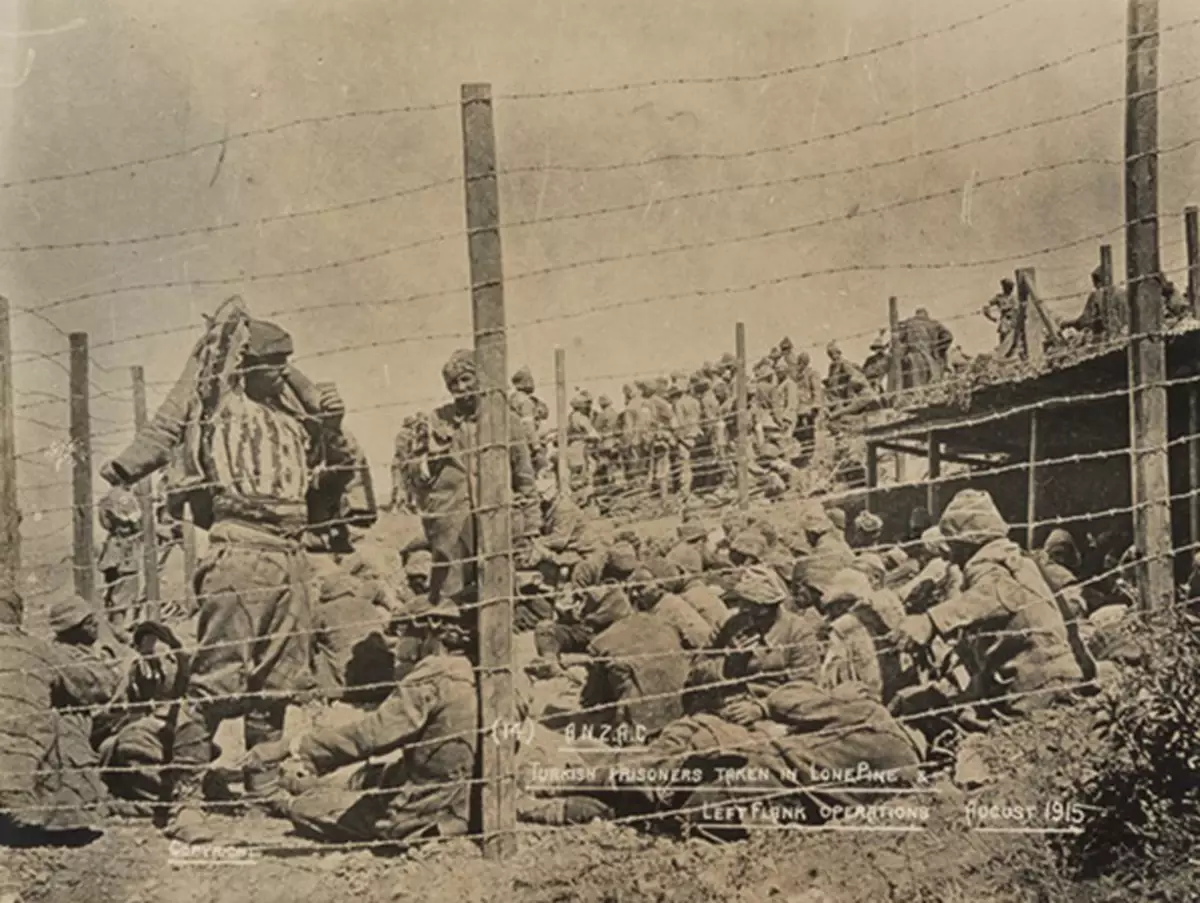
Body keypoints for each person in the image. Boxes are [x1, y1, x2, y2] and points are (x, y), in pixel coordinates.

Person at [99, 301, 375, 842]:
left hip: (292, 555)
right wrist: (120, 473)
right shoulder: (221, 405)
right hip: (239, 550)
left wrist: (334, 428)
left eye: (287, 364)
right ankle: (184, 802)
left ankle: (263, 782)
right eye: (272, 364)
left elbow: (333, 483)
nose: (280, 374)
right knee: (215, 680)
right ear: (247, 365)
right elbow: (170, 419)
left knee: (278, 682)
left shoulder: (297, 421)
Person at [278, 597, 478, 846]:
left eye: (404, 632)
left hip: (422, 812)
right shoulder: (480, 670)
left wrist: (300, 746)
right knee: (367, 777)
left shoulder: (434, 673)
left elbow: (372, 736)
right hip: (467, 799)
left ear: (431, 628)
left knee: (305, 807)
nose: (398, 645)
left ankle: (289, 797)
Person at [887, 489, 1083, 717]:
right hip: (1056, 678)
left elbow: (994, 594)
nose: (949, 557)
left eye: (953, 547)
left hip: (1038, 689)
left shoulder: (988, 564)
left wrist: (931, 621)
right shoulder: (1019, 561)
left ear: (968, 542)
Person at [409, 349, 537, 608]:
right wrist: (431, 457)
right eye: (453, 383)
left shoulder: (505, 421)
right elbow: (414, 473)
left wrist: (531, 523)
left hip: (495, 515)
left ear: (480, 378)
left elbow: (524, 475)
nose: (460, 388)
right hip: (450, 518)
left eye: (467, 379)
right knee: (448, 589)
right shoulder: (437, 420)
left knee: (496, 585)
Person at [686, 565, 824, 722]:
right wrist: (727, 663)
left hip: (769, 716)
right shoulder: (729, 623)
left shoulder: (798, 632)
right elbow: (695, 672)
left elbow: (806, 687)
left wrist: (763, 708)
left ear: (773, 606)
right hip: (719, 706)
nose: (747, 614)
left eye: (756, 609)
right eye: (744, 604)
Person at [579, 588, 690, 739]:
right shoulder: (659, 620)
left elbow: (591, 699)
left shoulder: (600, 643)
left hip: (642, 722)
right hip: (683, 709)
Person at [630, 559, 714, 650]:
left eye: (641, 588)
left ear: (659, 586)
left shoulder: (673, 606)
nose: (635, 594)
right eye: (632, 590)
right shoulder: (647, 608)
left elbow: (700, 639)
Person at [96, 487, 144, 636]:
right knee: (124, 593)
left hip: (113, 549)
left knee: (113, 592)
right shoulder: (125, 497)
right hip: (125, 552)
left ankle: (113, 627)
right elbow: (135, 524)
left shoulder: (107, 498)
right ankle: (118, 629)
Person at [1062, 268, 1129, 343]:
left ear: (1099, 282)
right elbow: (1087, 316)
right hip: (1114, 330)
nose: (1094, 286)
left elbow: (1086, 319)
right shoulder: (1119, 293)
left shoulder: (1102, 294)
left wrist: (1070, 324)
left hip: (1111, 332)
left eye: (1095, 283)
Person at [896, 307, 954, 389]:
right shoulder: (934, 324)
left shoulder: (908, 323)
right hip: (929, 359)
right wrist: (938, 350)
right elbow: (948, 337)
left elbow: (898, 339)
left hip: (911, 358)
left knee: (911, 389)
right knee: (932, 387)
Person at [672, 377, 703, 497]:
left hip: (686, 435)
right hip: (696, 432)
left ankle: (685, 490)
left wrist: (679, 437)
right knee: (696, 462)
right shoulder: (695, 401)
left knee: (684, 464)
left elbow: (680, 422)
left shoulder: (679, 403)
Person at [982, 278, 1018, 352]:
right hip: (1005, 321)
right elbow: (986, 306)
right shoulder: (999, 297)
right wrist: (990, 317)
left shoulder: (1015, 298)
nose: (1010, 289)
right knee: (1004, 342)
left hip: (1015, 321)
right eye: (1008, 286)